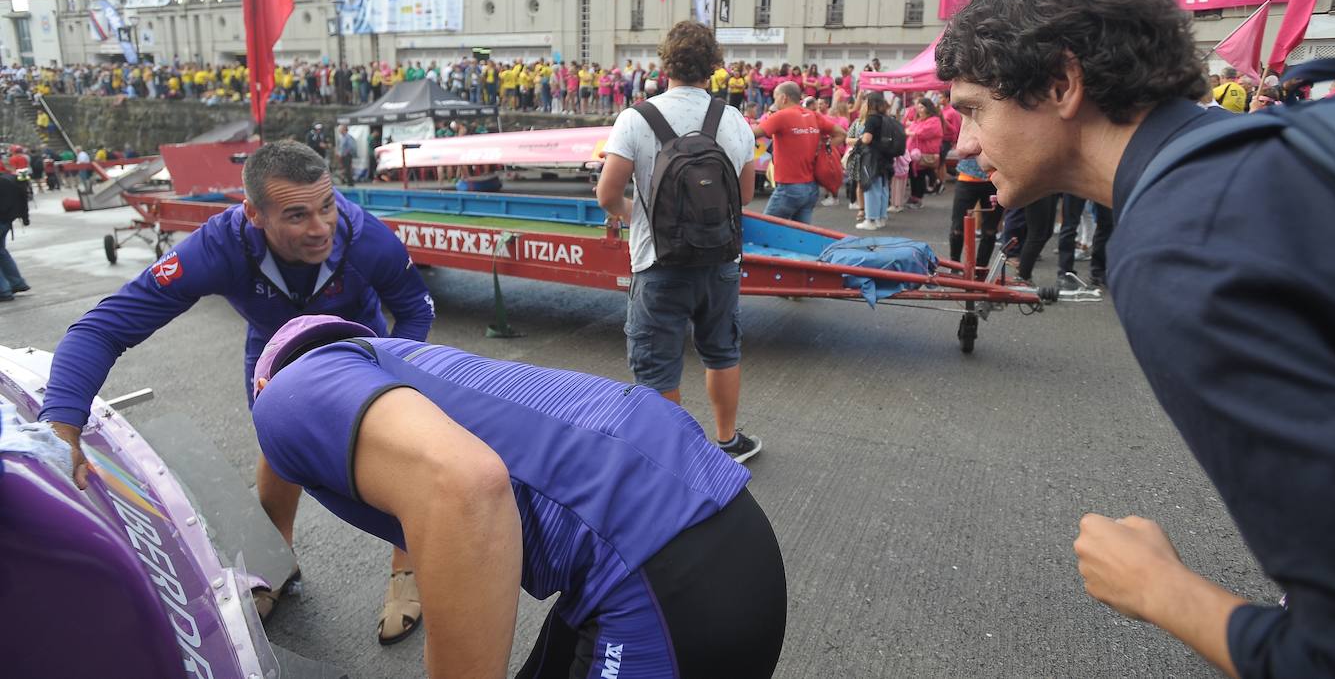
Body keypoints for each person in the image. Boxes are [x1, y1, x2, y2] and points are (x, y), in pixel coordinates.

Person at [937, 0, 1335, 679]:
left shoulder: (1179, 250)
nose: (966, 145)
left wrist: (1161, 590)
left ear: (1061, 82)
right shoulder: (1286, 149)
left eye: (975, 109)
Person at [38, 141, 436, 642]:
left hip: (358, 349)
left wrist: (392, 373)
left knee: (391, 454)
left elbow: (417, 309)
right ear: (253, 213)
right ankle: (275, 561)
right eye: (296, 215)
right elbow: (102, 329)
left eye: (327, 206)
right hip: (273, 353)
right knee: (278, 449)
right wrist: (61, 425)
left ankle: (408, 566)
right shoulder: (217, 246)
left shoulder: (365, 237)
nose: (320, 228)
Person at [251, 316, 788, 679]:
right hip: (724, 531)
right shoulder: (403, 366)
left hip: (661, 581)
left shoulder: (290, 393)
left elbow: (464, 485)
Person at [596, 21, 761, 462]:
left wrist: (636, 215)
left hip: (657, 262)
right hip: (719, 259)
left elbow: (607, 195)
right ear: (714, 66)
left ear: (665, 62)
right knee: (722, 350)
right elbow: (744, 196)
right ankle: (727, 441)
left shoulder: (636, 118)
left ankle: (673, 456)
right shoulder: (733, 119)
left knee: (656, 362)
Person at [752, 81, 845, 225]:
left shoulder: (781, 116)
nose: (774, 101)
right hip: (810, 187)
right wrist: (824, 147)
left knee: (765, 229)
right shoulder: (814, 116)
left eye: (775, 97)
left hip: (788, 187)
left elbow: (752, 134)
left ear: (783, 98)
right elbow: (841, 133)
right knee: (801, 235)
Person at [856, 92, 896, 230]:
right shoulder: (887, 118)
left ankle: (871, 220)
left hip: (872, 157)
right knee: (883, 188)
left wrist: (858, 140)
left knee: (871, 188)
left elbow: (867, 139)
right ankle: (881, 218)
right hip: (886, 157)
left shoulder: (872, 119)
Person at [0, 168, 32, 302]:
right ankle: (16, 282)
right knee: (1, 252)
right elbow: (23, 198)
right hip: (7, 220)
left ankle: (3, 290)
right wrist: (25, 218)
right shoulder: (9, 179)